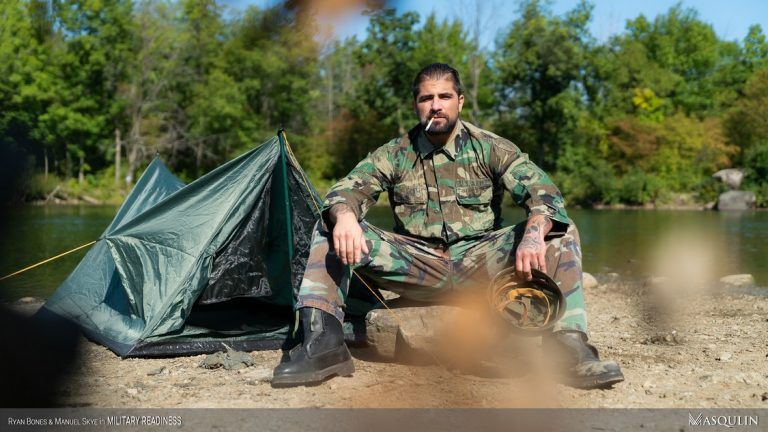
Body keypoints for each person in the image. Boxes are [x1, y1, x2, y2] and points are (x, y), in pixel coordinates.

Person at [272, 63, 624, 389]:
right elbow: (345, 191)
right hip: (416, 264)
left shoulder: (491, 147)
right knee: (331, 227)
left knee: (561, 231)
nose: (436, 106)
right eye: (427, 98)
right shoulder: (395, 152)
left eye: (444, 96)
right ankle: (323, 343)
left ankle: (568, 348)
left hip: (480, 261)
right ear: (416, 105)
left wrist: (533, 235)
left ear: (460, 101)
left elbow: (544, 194)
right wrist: (346, 215)